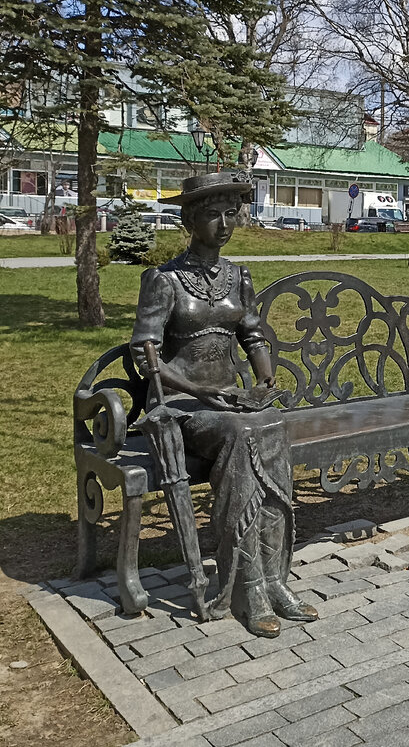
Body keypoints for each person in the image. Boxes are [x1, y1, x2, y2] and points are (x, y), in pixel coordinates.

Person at [130, 171, 318, 637]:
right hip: (180, 406)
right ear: (190, 219)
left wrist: (265, 377)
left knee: (271, 426)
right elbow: (143, 353)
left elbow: (252, 333)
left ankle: (275, 580)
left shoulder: (238, 276)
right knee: (245, 433)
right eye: (212, 214)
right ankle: (246, 585)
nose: (224, 223)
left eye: (231, 213)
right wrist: (196, 392)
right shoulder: (164, 280)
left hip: (231, 402)